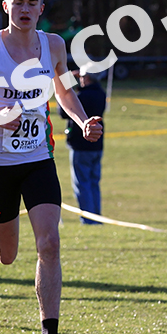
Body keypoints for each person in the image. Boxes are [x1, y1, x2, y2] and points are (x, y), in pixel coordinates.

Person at [0, 0, 102, 334]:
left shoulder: (53, 46)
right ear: (5, 3)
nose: (24, 9)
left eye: (32, 3)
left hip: (38, 159)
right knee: (6, 256)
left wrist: (82, 120)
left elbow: (63, 90)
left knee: (50, 243)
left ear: (41, 6)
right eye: (18, 2)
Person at [60, 67, 106, 224]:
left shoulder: (82, 96)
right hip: (97, 146)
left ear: (87, 78)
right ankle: (96, 216)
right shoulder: (101, 93)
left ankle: (88, 218)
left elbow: (63, 110)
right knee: (94, 182)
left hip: (81, 145)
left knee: (82, 183)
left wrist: (69, 83)